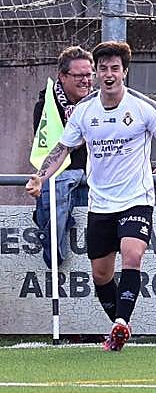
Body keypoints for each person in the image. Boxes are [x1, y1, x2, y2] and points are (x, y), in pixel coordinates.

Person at [25, 41, 156, 351]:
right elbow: (62, 149)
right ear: (98, 74)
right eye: (103, 69)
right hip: (101, 203)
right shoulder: (85, 111)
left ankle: (121, 322)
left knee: (133, 255)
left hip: (137, 198)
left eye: (115, 68)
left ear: (124, 71)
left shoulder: (143, 107)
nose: (109, 74)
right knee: (101, 274)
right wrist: (40, 176)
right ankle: (118, 327)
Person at [30, 46, 93, 268]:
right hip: (60, 181)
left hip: (93, 183)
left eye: (89, 74)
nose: (86, 80)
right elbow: (50, 148)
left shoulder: (100, 103)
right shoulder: (46, 106)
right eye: (79, 75)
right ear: (63, 76)